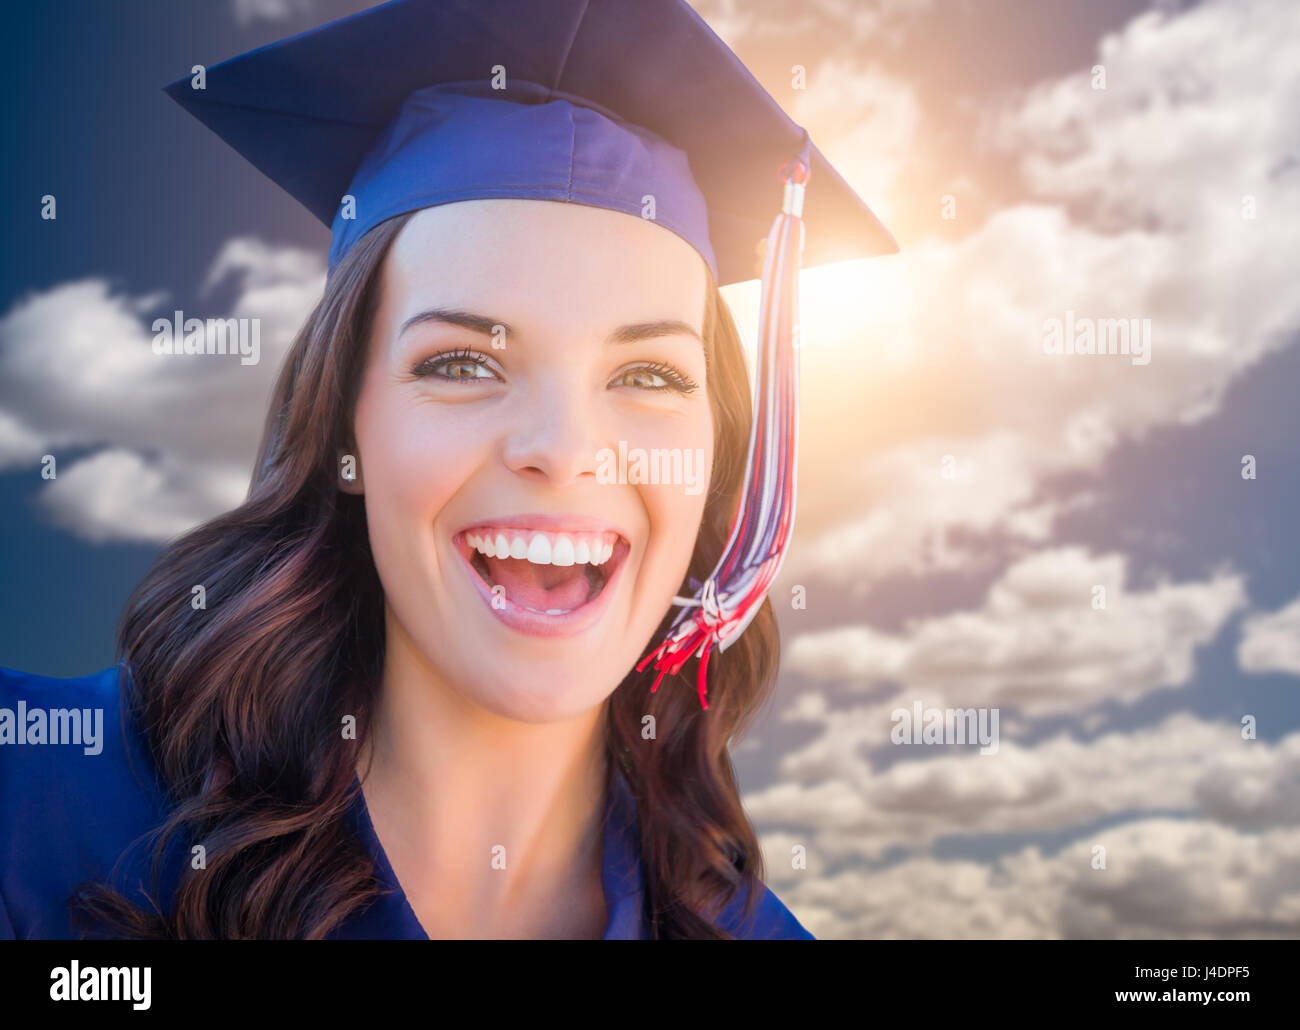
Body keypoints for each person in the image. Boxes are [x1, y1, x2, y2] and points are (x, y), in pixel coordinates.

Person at [0, 0, 895, 939]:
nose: (565, 448)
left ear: (715, 455)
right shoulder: (40, 801)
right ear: (344, 425)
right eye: (464, 365)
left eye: (647, 374)